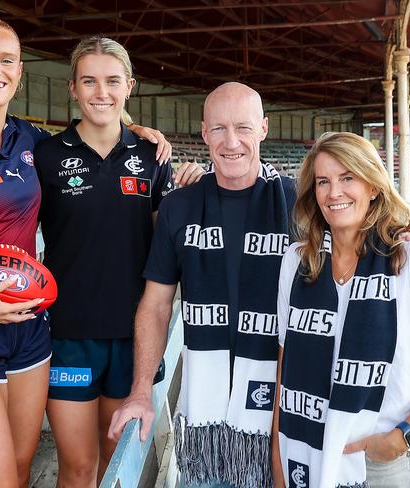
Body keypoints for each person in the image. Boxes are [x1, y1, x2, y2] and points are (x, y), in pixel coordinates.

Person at [0, 16, 177, 488]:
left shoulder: (30, 140)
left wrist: (135, 127)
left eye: (5, 60)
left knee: (20, 467)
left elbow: (96, 127)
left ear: (19, 71)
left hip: (30, 326)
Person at [33, 36, 205, 488]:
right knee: (78, 466)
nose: (101, 92)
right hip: (68, 333)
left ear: (130, 86)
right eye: (89, 81)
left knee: (115, 461)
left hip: (133, 335)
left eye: (112, 81)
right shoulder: (46, 156)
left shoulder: (153, 156)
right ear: (73, 88)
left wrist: (191, 191)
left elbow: (166, 245)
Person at [108, 82, 296, 488]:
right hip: (204, 425)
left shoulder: (298, 202)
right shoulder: (180, 206)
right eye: (219, 129)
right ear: (203, 131)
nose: (232, 142)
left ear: (263, 129)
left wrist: (403, 232)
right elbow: (156, 305)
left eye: (244, 128)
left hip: (285, 420)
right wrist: (141, 392)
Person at [273, 131, 410, 488]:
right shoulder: (297, 262)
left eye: (347, 178)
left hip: (380, 462)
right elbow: (284, 368)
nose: (334, 193)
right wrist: (277, 454)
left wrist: (399, 440)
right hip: (305, 452)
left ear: (374, 186)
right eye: (323, 182)